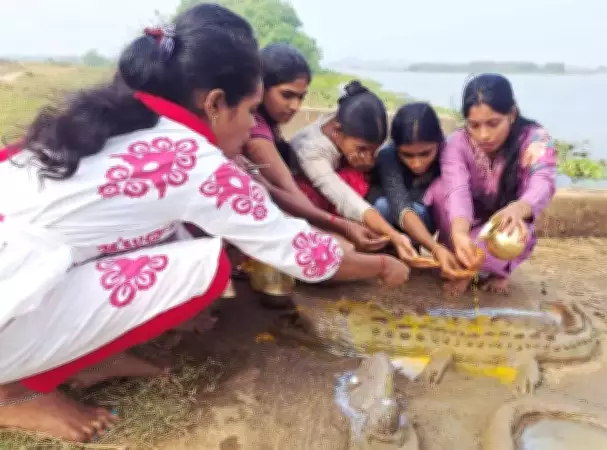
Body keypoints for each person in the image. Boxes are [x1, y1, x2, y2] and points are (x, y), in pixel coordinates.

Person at [0, 4, 408, 442]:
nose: (252, 125)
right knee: (207, 265)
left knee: (184, 234)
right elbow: (305, 256)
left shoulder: (122, 116)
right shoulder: (193, 159)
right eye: (251, 110)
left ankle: (84, 356)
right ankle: (11, 394)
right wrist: (383, 266)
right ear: (214, 103)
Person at [241, 43, 387, 254]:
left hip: (276, 210)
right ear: (261, 87)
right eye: (287, 95)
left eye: (301, 97)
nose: (295, 106)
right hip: (261, 219)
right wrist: (341, 229)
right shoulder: (256, 131)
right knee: (342, 251)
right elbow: (289, 192)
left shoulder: (269, 125)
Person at [426, 73, 557, 295]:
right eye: (474, 125)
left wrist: (519, 207)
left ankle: (489, 270)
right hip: (467, 222)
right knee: (440, 189)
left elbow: (542, 181)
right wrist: (459, 234)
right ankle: (462, 256)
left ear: (512, 114)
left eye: (493, 124)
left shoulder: (534, 140)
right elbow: (457, 190)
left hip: (505, 223)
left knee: (511, 231)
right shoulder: (457, 143)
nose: (484, 135)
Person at [289, 81, 421, 265]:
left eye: (373, 150)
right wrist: (393, 235)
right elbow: (344, 198)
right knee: (355, 180)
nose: (368, 157)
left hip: (333, 198)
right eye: (362, 149)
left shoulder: (345, 126)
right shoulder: (311, 149)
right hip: (306, 205)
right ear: (336, 131)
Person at [369, 102, 465, 279]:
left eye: (425, 153)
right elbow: (399, 204)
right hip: (395, 214)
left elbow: (460, 197)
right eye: (407, 155)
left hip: (428, 216)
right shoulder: (387, 156)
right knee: (382, 206)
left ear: (438, 142)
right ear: (396, 147)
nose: (417, 163)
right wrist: (435, 249)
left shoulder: (449, 152)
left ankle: (418, 245)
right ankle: (391, 247)